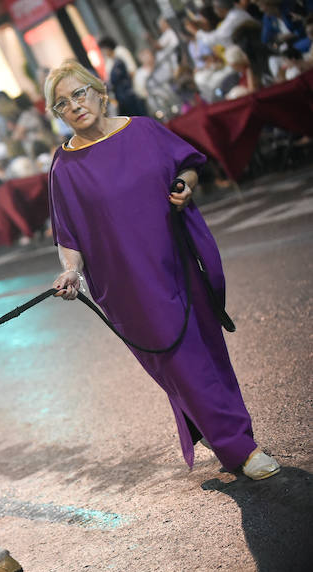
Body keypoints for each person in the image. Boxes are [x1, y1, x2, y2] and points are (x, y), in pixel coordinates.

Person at [43, 59, 280, 480]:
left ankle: (209, 422)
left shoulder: (144, 129)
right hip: (129, 285)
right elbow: (68, 236)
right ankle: (240, 448)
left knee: (206, 350)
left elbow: (186, 163)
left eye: (79, 93)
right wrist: (71, 272)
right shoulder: (64, 169)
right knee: (182, 358)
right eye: (62, 104)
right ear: (57, 115)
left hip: (180, 259)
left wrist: (186, 183)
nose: (74, 105)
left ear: (100, 91)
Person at [98, 37, 148, 116]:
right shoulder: (109, 60)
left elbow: (131, 70)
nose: (102, 52)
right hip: (122, 97)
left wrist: (132, 88)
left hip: (131, 93)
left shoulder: (120, 52)